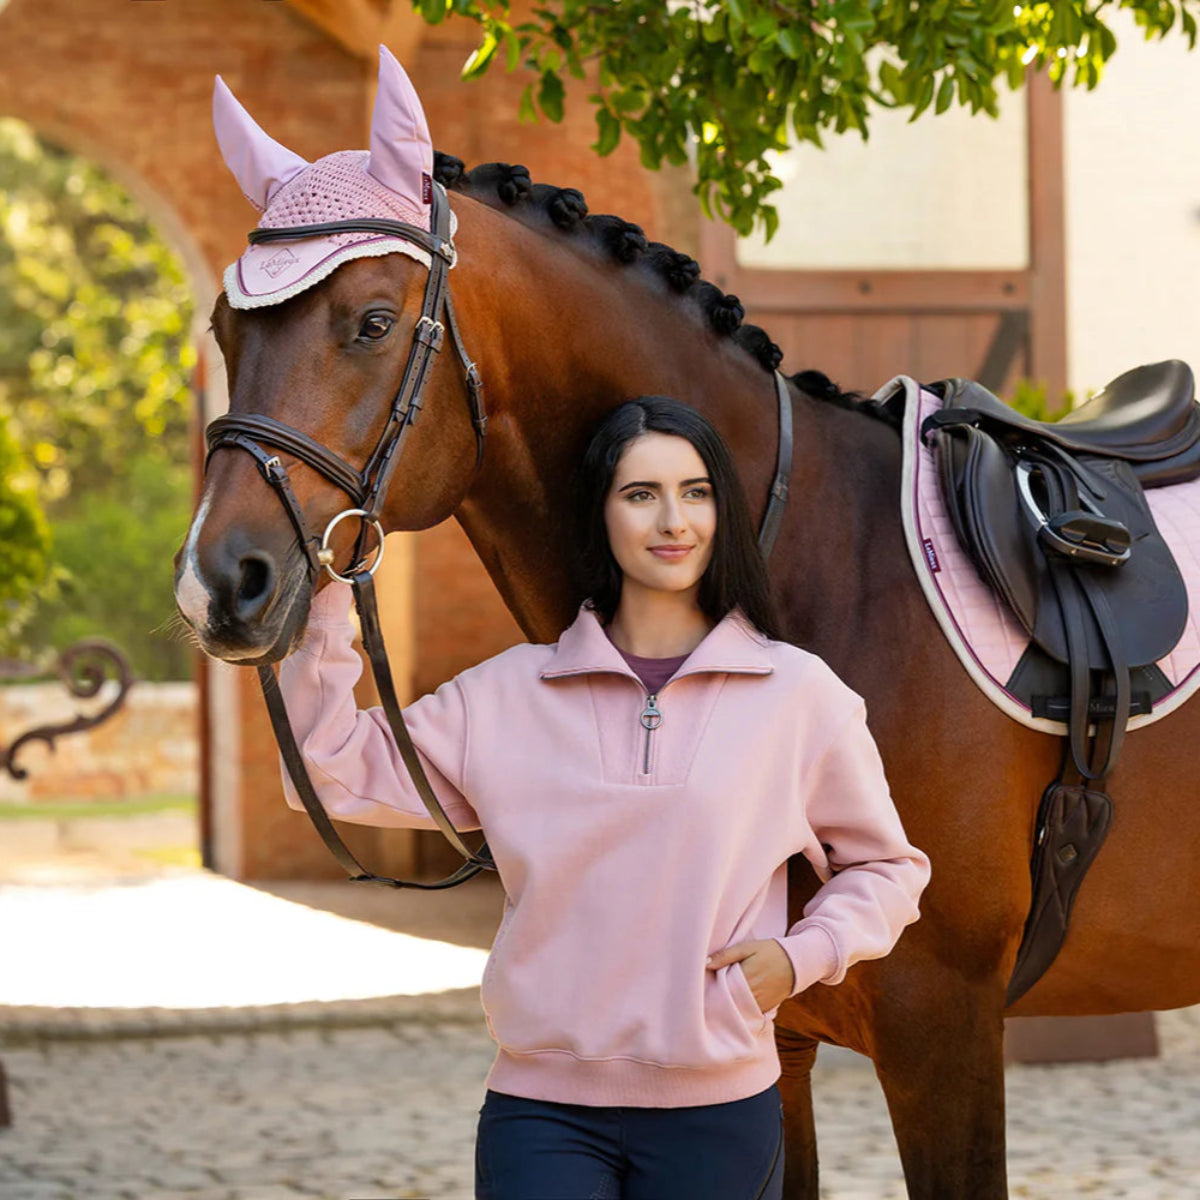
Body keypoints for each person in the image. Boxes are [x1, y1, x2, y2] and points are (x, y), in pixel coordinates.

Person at [276, 396, 932, 1200]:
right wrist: (329, 602)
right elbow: (330, 765)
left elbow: (888, 868)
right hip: (541, 1111)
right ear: (602, 513)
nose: (673, 519)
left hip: (718, 1106)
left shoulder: (798, 695)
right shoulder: (507, 694)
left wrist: (799, 958)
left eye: (695, 492)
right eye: (640, 493)